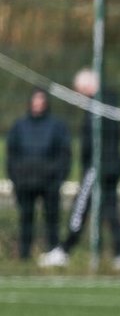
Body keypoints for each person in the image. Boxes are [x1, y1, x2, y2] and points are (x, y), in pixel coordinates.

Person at [41, 68, 120, 270]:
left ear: (87, 86)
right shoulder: (107, 103)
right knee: (110, 209)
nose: (78, 94)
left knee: (80, 207)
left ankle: (65, 250)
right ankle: (119, 254)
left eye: (79, 90)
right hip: (111, 165)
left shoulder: (101, 106)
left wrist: (90, 163)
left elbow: (98, 140)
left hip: (98, 166)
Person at [6, 89, 71, 262]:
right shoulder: (19, 126)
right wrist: (16, 178)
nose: (38, 103)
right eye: (35, 100)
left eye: (41, 100)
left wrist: (59, 177)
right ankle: (24, 256)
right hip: (25, 182)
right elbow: (11, 155)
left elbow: (65, 154)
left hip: (49, 182)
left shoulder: (56, 126)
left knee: (52, 219)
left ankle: (54, 254)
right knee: (26, 219)